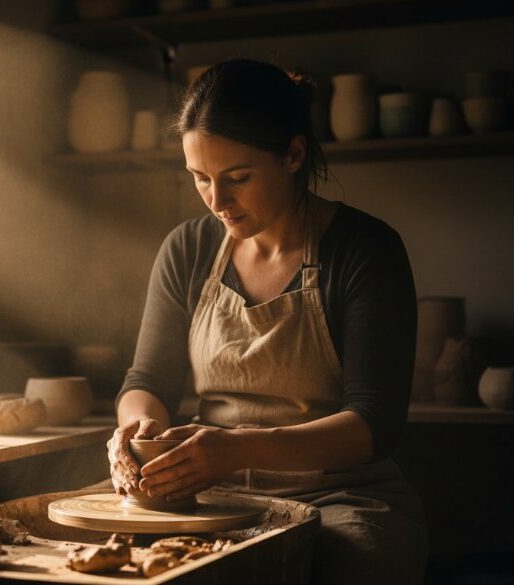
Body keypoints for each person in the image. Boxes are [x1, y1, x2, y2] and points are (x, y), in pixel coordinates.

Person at [108, 59, 428, 584]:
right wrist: (135, 432)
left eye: (237, 178)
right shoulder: (187, 249)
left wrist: (236, 449)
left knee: (350, 563)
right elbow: (146, 382)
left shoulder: (365, 249)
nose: (217, 201)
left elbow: (375, 424)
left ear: (294, 154)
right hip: (209, 491)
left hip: (341, 494)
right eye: (200, 179)